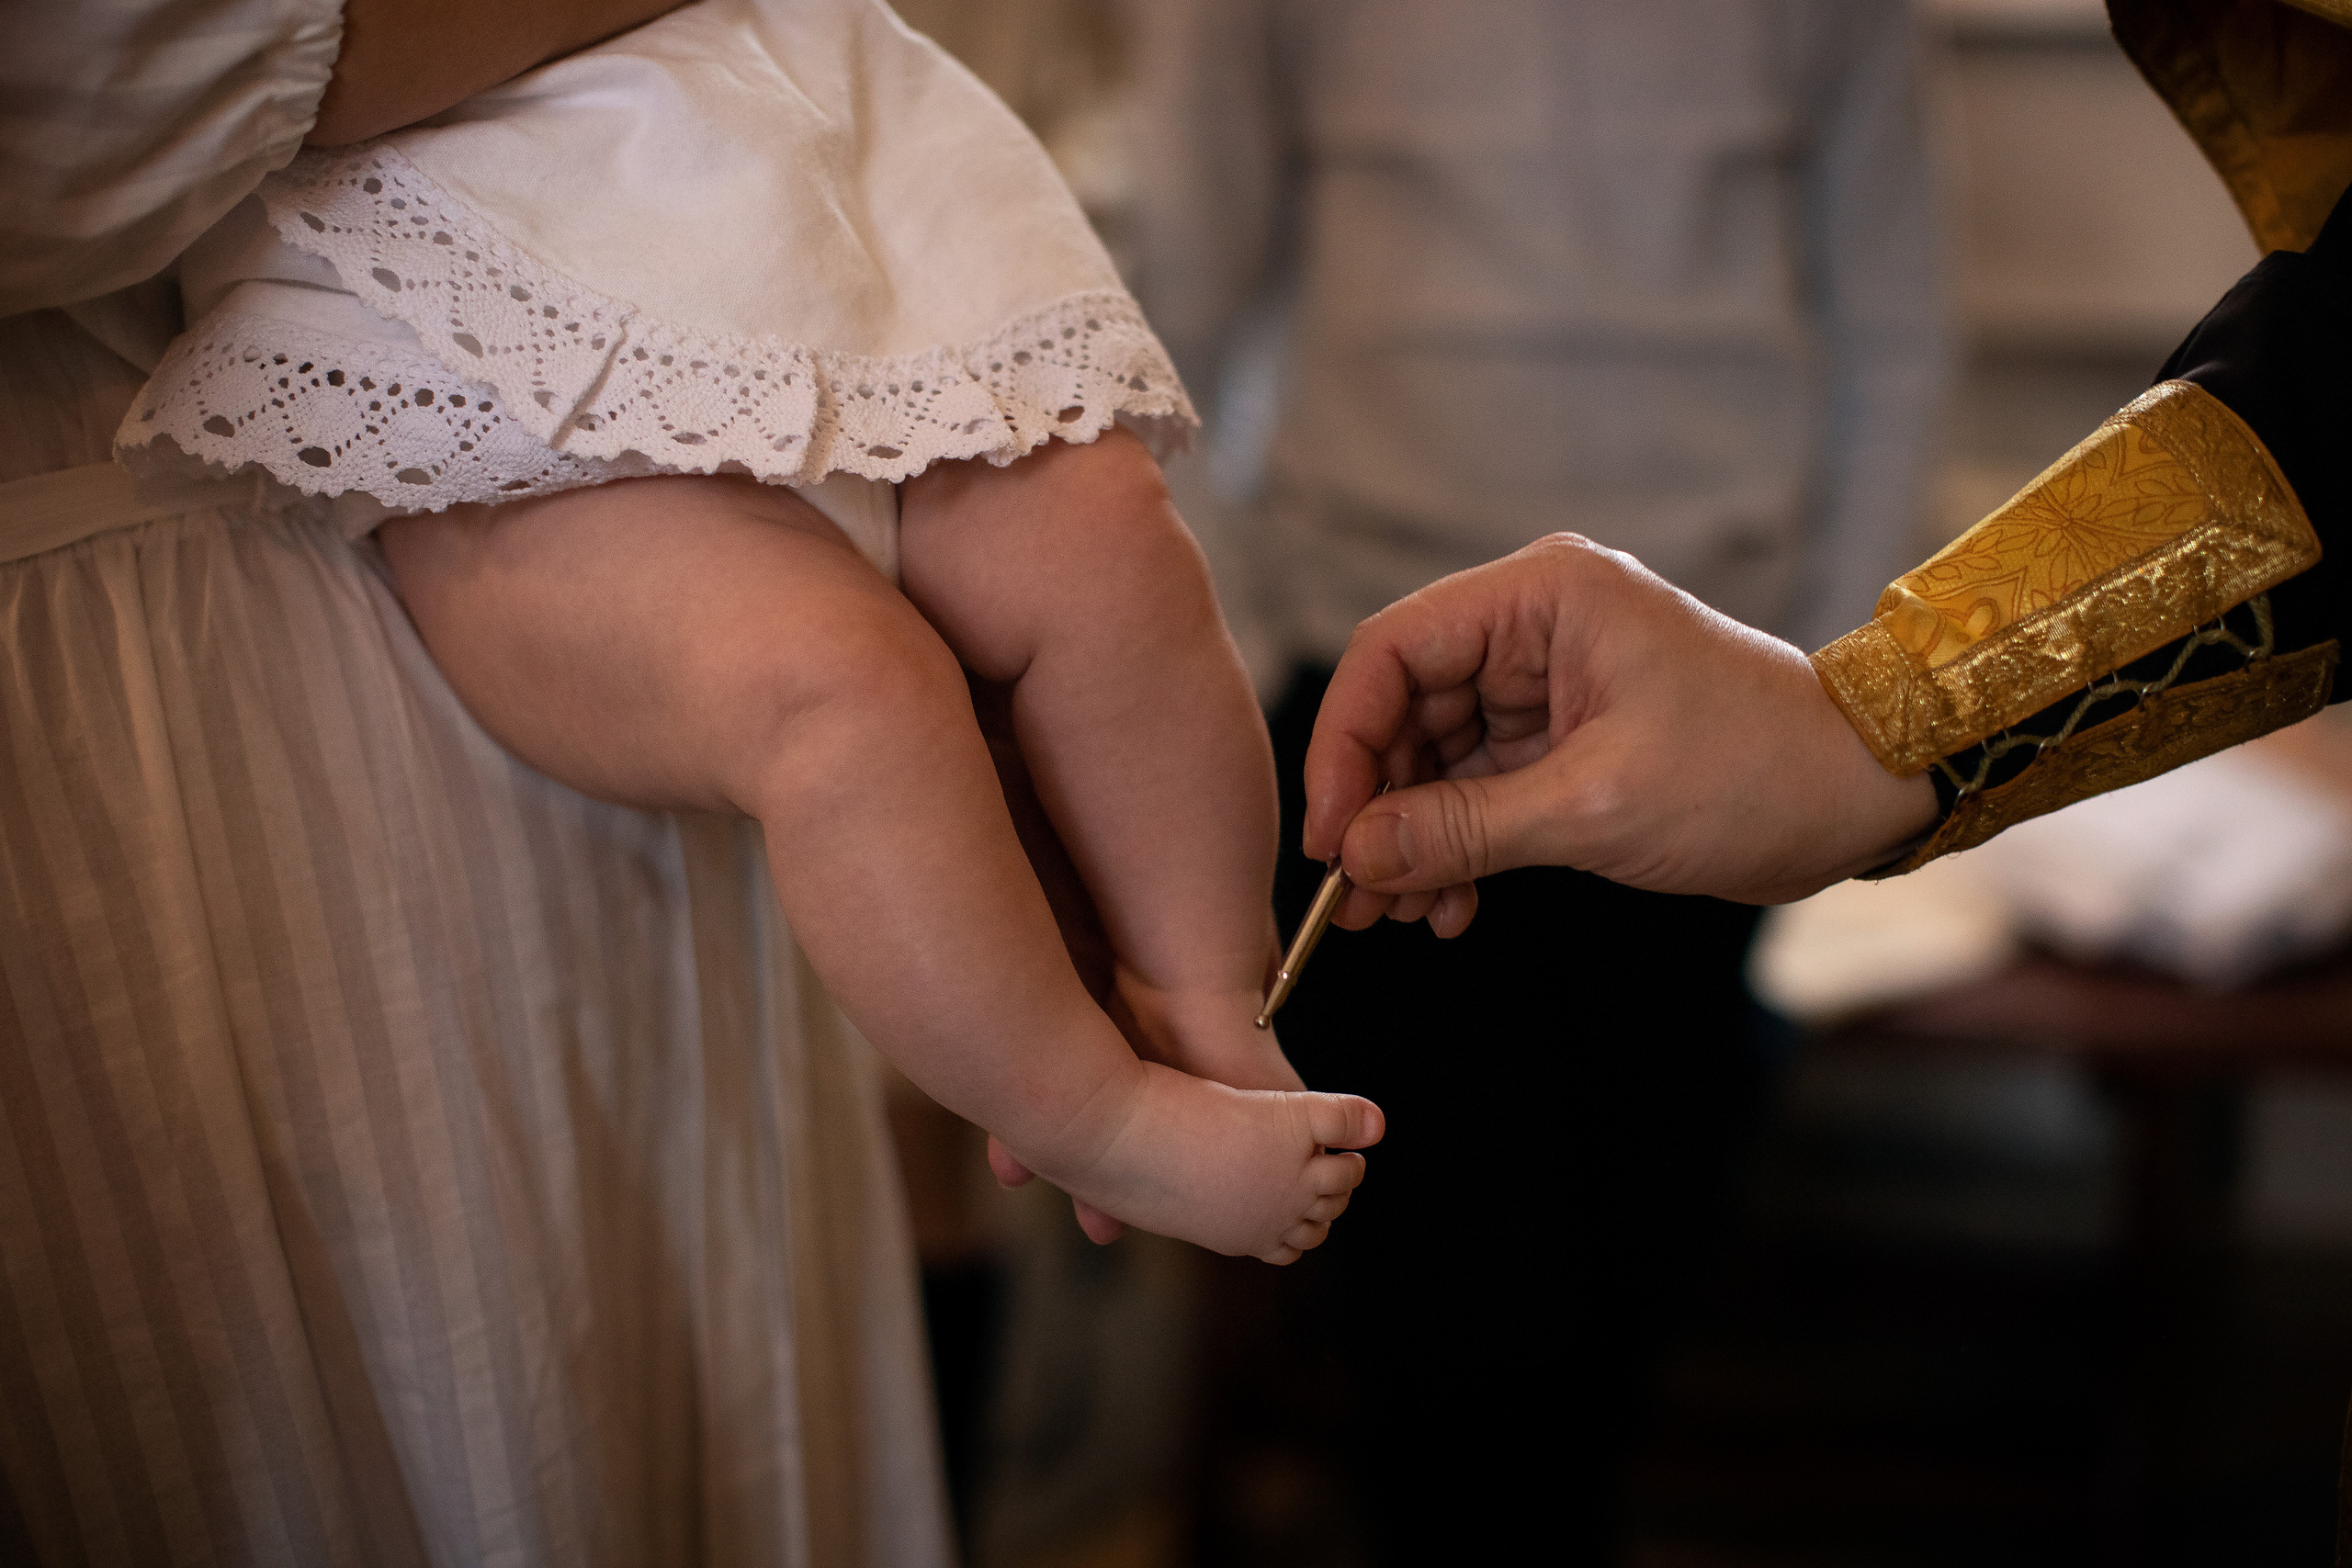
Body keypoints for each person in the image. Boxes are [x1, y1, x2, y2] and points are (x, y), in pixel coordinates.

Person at [4, 0, 1340, 1561]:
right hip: (465, 326)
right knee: (844, 696)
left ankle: (1204, 1003)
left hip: (795, 166)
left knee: (1115, 546)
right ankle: (1094, 1118)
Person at [1125, 0, 1947, 1558]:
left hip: (1716, 692)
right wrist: (1243, 665)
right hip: (1372, 689)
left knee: (1629, 1243)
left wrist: (1836, 712)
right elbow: (1172, 312)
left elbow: (1890, 332)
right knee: (1435, 1299)